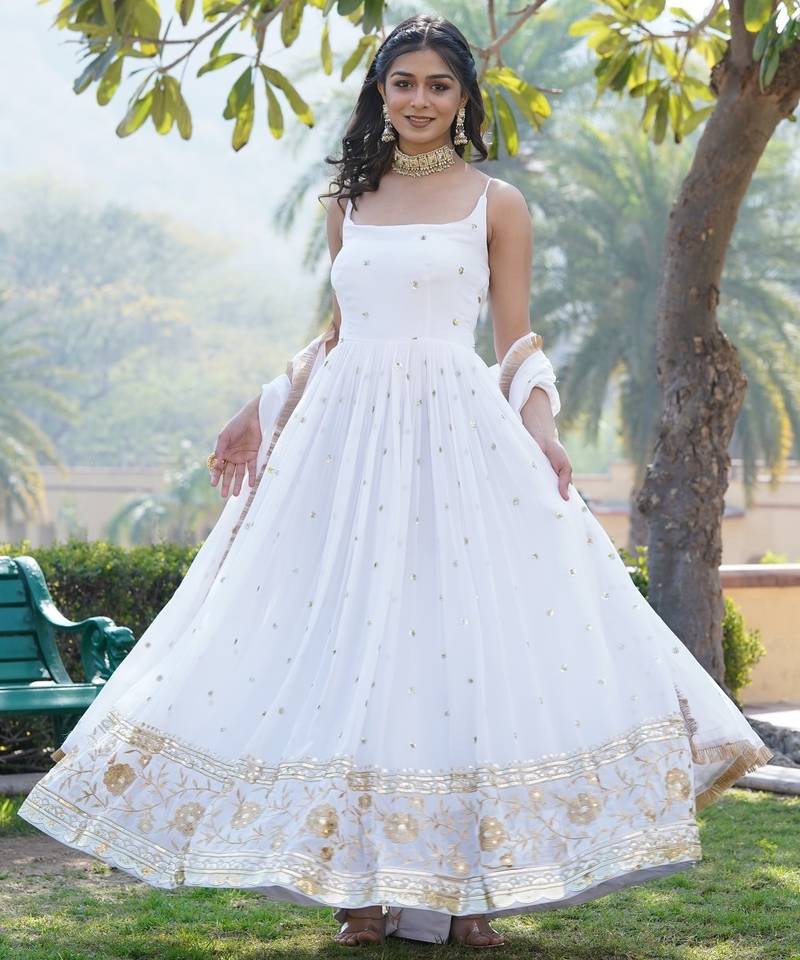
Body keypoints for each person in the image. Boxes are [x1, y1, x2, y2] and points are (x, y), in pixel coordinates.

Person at [17, 12, 773, 952]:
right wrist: (259, 407)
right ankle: (359, 889)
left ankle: (470, 893)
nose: (420, 100)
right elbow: (340, 334)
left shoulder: (496, 204)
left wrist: (543, 435)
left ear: (464, 98)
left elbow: (517, 340)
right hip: (346, 448)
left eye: (439, 85)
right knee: (352, 649)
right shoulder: (348, 201)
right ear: (380, 92)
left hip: (457, 440)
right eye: (403, 82)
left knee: (463, 645)